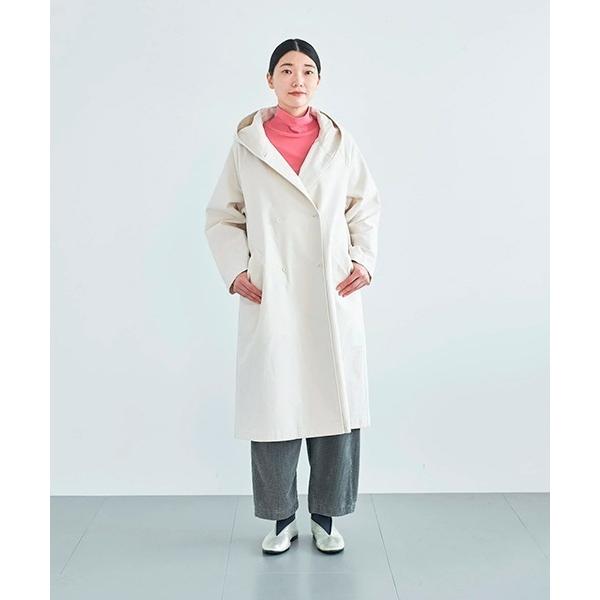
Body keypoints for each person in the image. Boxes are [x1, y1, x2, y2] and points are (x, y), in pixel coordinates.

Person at [204, 38, 381, 554]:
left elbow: (365, 206)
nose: (296, 79)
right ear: (270, 80)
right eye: (286, 69)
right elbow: (223, 215)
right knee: (274, 405)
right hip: (273, 291)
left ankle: (326, 516)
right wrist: (236, 270)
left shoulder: (339, 142)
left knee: (335, 405)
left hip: (330, 289)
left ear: (318, 80)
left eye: (306, 70)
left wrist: (363, 261)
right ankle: (281, 518)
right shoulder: (247, 144)